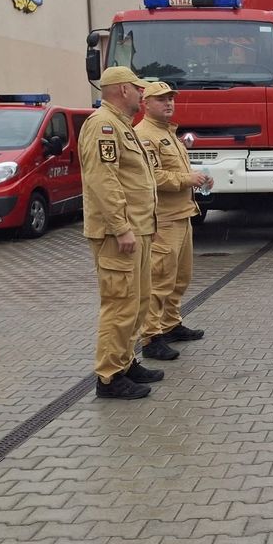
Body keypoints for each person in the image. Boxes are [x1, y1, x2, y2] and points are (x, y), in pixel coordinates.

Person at [78, 66, 159, 400]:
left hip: (137, 229)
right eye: (139, 89)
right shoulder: (103, 125)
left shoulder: (121, 125)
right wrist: (120, 227)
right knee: (120, 304)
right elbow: (103, 180)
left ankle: (125, 362)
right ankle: (109, 377)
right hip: (119, 234)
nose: (143, 95)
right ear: (123, 89)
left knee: (137, 302)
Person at [134, 81, 211, 360]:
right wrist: (186, 179)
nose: (169, 103)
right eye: (161, 99)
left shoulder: (169, 133)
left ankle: (171, 324)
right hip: (163, 219)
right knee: (159, 281)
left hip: (183, 214)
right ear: (146, 103)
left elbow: (177, 171)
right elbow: (152, 178)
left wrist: (198, 179)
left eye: (171, 99)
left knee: (180, 277)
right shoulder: (144, 135)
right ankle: (151, 337)